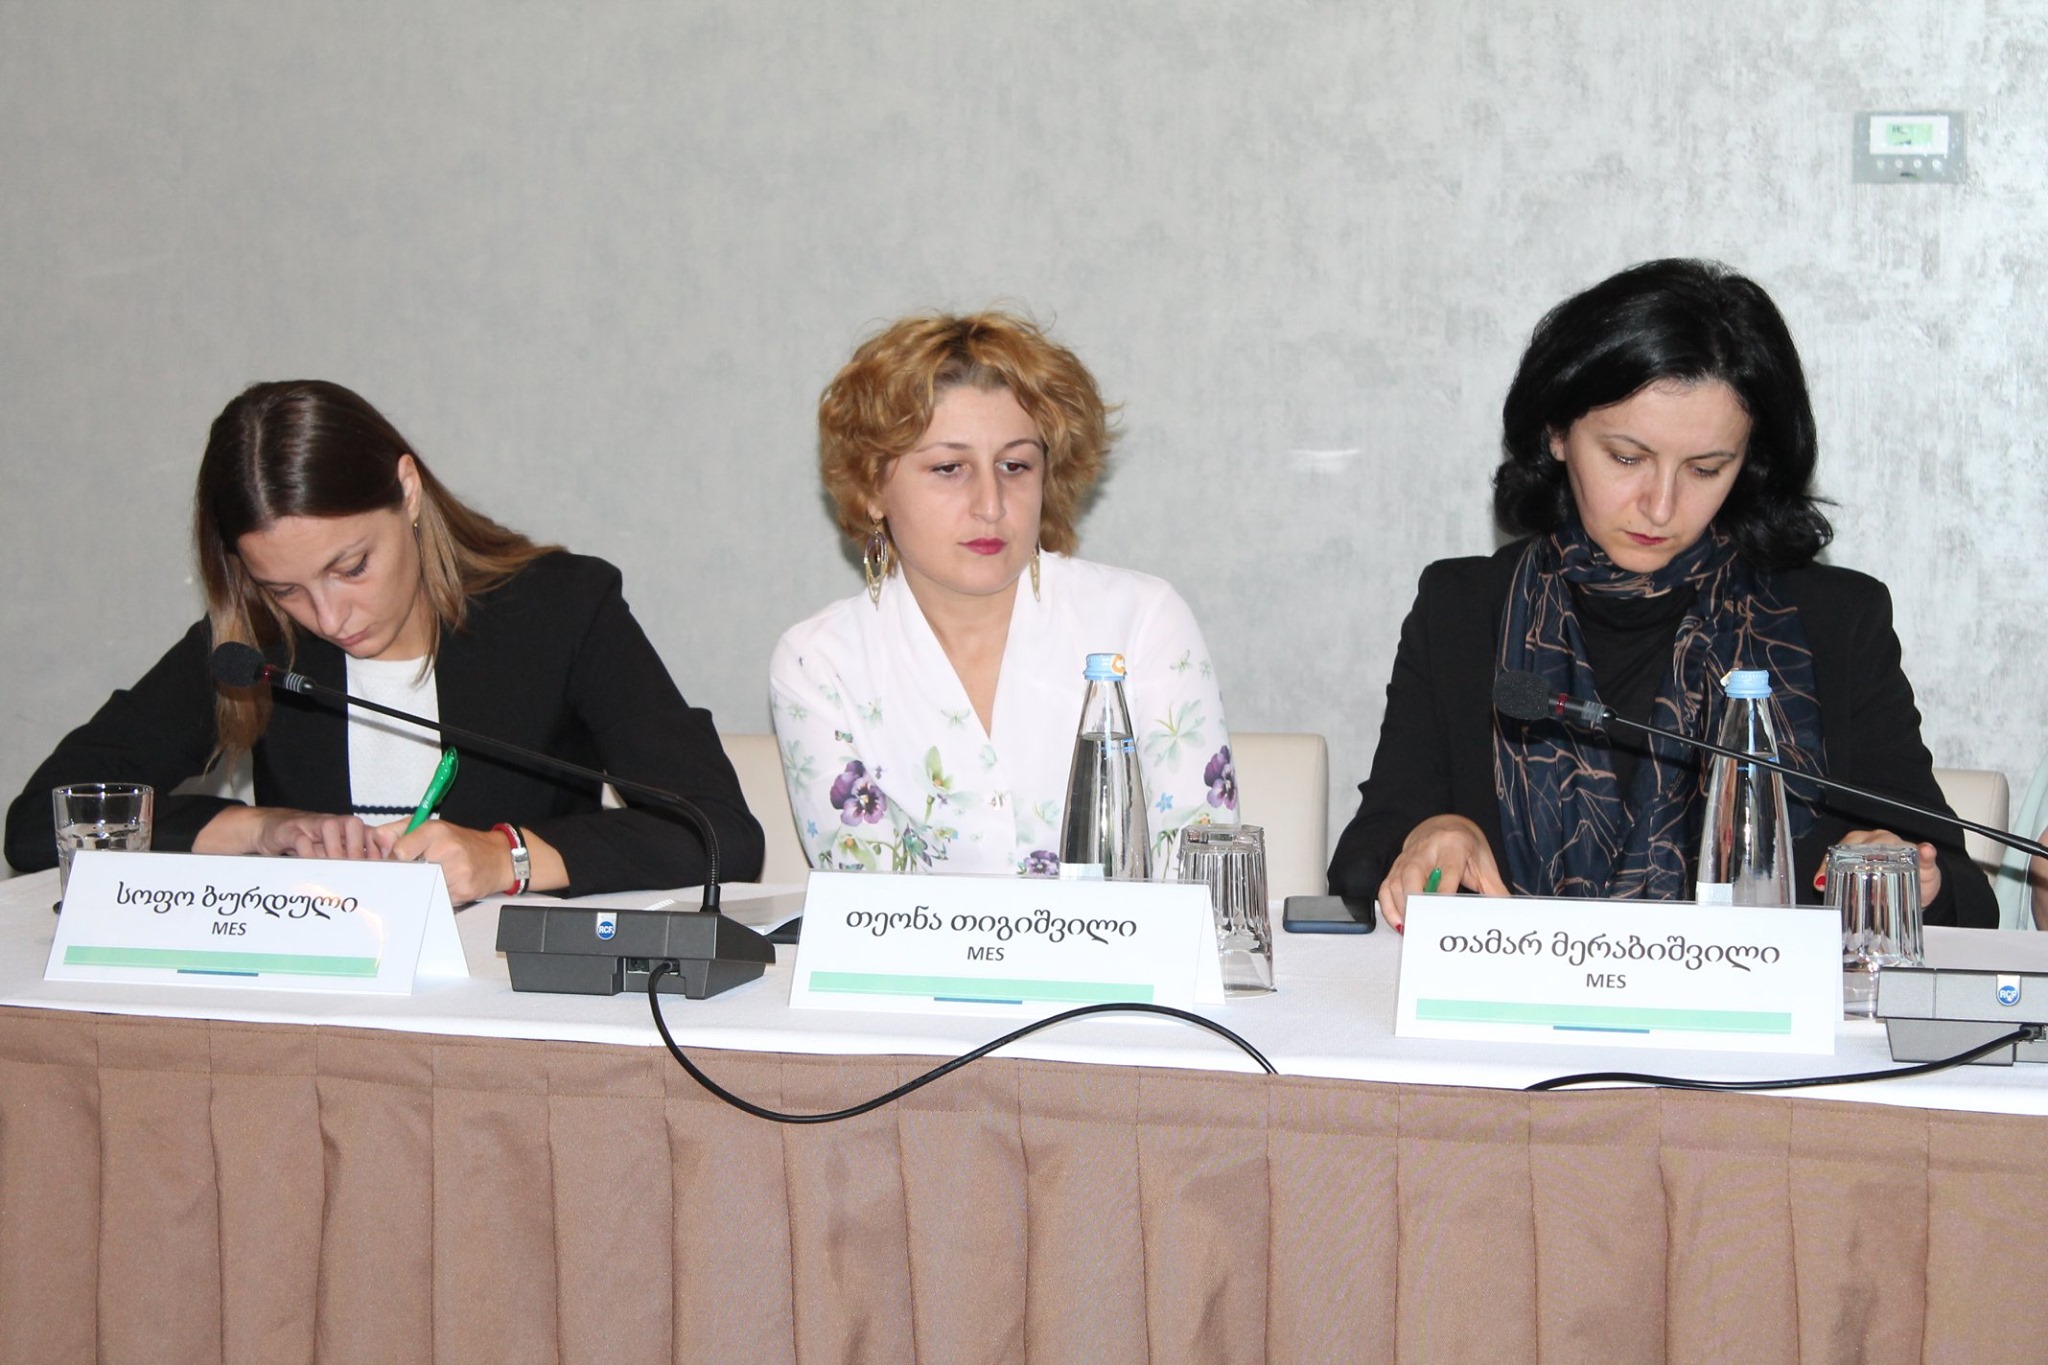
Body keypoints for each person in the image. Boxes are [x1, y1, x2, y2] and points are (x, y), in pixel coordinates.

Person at [1328, 259, 1997, 930]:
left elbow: (1969, 900)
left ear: (1749, 461)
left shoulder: (1835, 621)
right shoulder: (1464, 609)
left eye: (1705, 469)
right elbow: (1358, 867)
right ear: (1557, 433)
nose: (1661, 505)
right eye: (1627, 458)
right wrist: (1433, 832)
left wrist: (1912, 875)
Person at [5, 380, 762, 902]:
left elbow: (721, 833)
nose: (329, 616)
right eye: (285, 588)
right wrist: (261, 829)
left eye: (351, 567)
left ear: (408, 490)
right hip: (320, 1013)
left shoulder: (560, 609)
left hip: (504, 1006)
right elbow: (42, 821)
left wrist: (507, 857)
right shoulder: (258, 644)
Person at [770, 311, 1235, 876]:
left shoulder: (1141, 622)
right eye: (949, 468)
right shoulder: (819, 663)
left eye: (1015, 466)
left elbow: (1200, 877)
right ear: (872, 488)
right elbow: (869, 906)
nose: (990, 505)